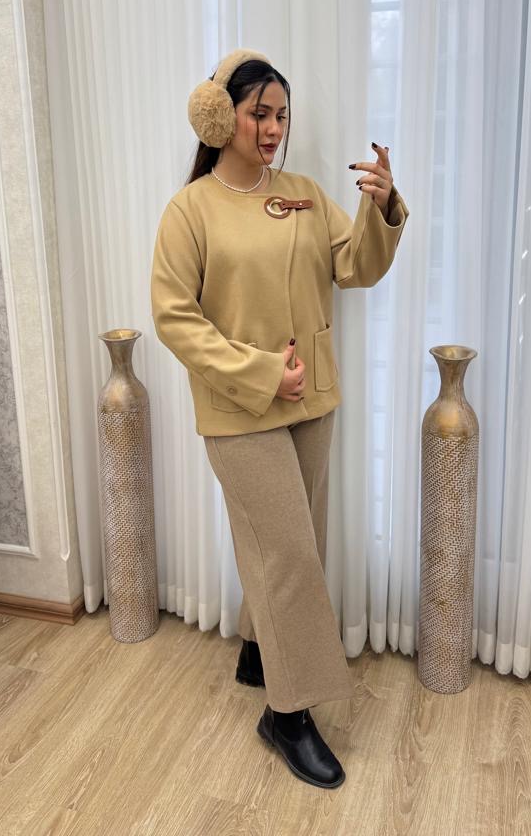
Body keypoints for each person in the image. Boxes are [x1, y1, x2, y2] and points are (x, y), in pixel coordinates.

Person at [150, 48, 409, 789]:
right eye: (258, 113)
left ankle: (258, 650)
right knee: (289, 554)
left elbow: (356, 266)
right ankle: (287, 714)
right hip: (239, 410)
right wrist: (264, 372)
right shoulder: (190, 210)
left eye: (281, 115)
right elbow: (175, 318)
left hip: (312, 402)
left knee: (296, 547)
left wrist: (382, 207)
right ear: (219, 117)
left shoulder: (303, 194)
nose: (272, 128)